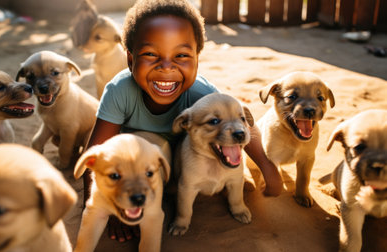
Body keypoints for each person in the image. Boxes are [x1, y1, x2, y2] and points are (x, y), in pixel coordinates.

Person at [82, 0, 283, 243]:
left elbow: (241, 124)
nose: (166, 67)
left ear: (198, 59)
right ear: (130, 58)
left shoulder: (204, 94)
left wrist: (267, 167)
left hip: (181, 161)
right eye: (150, 54)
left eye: (181, 55)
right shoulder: (119, 90)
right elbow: (95, 153)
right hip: (137, 161)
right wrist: (105, 207)